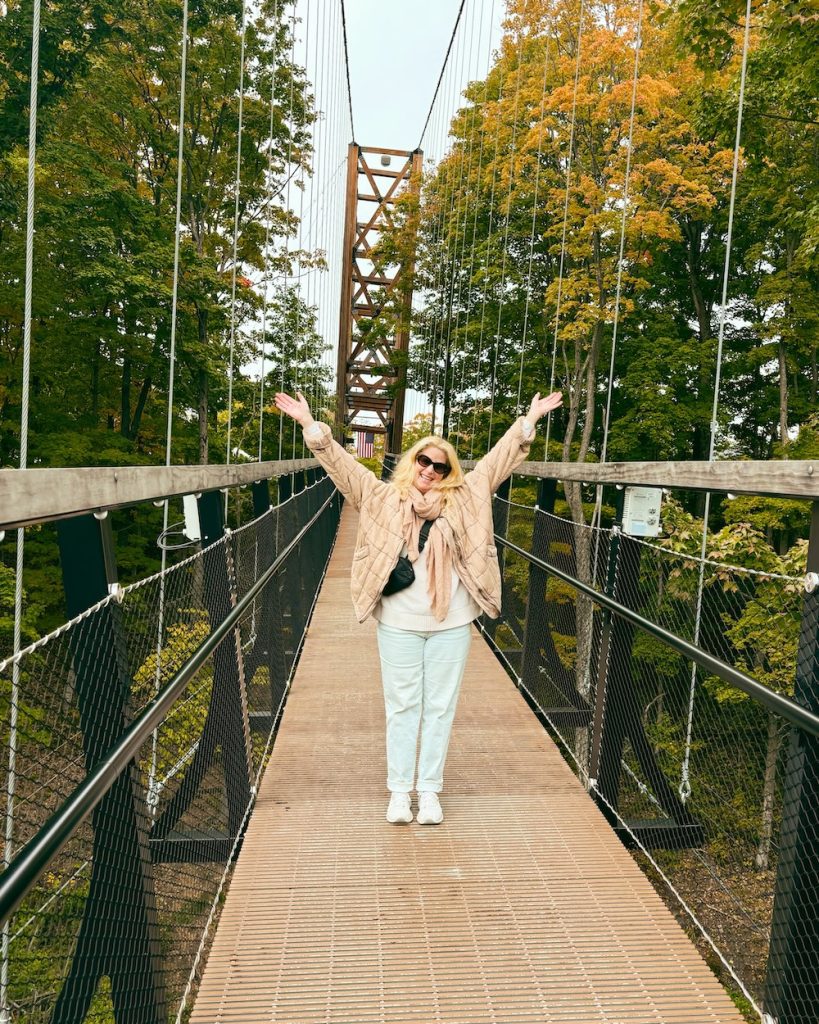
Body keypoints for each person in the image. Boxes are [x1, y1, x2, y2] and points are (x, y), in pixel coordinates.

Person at [273, 389, 563, 826]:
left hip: (452, 622)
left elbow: (502, 458)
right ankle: (398, 791)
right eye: (424, 462)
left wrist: (530, 419)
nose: (430, 470)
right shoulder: (381, 497)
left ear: (450, 471)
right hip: (399, 621)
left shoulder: (469, 495)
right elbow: (342, 467)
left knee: (441, 707)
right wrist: (311, 427)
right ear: (412, 463)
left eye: (440, 465)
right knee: (402, 706)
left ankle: (429, 791)